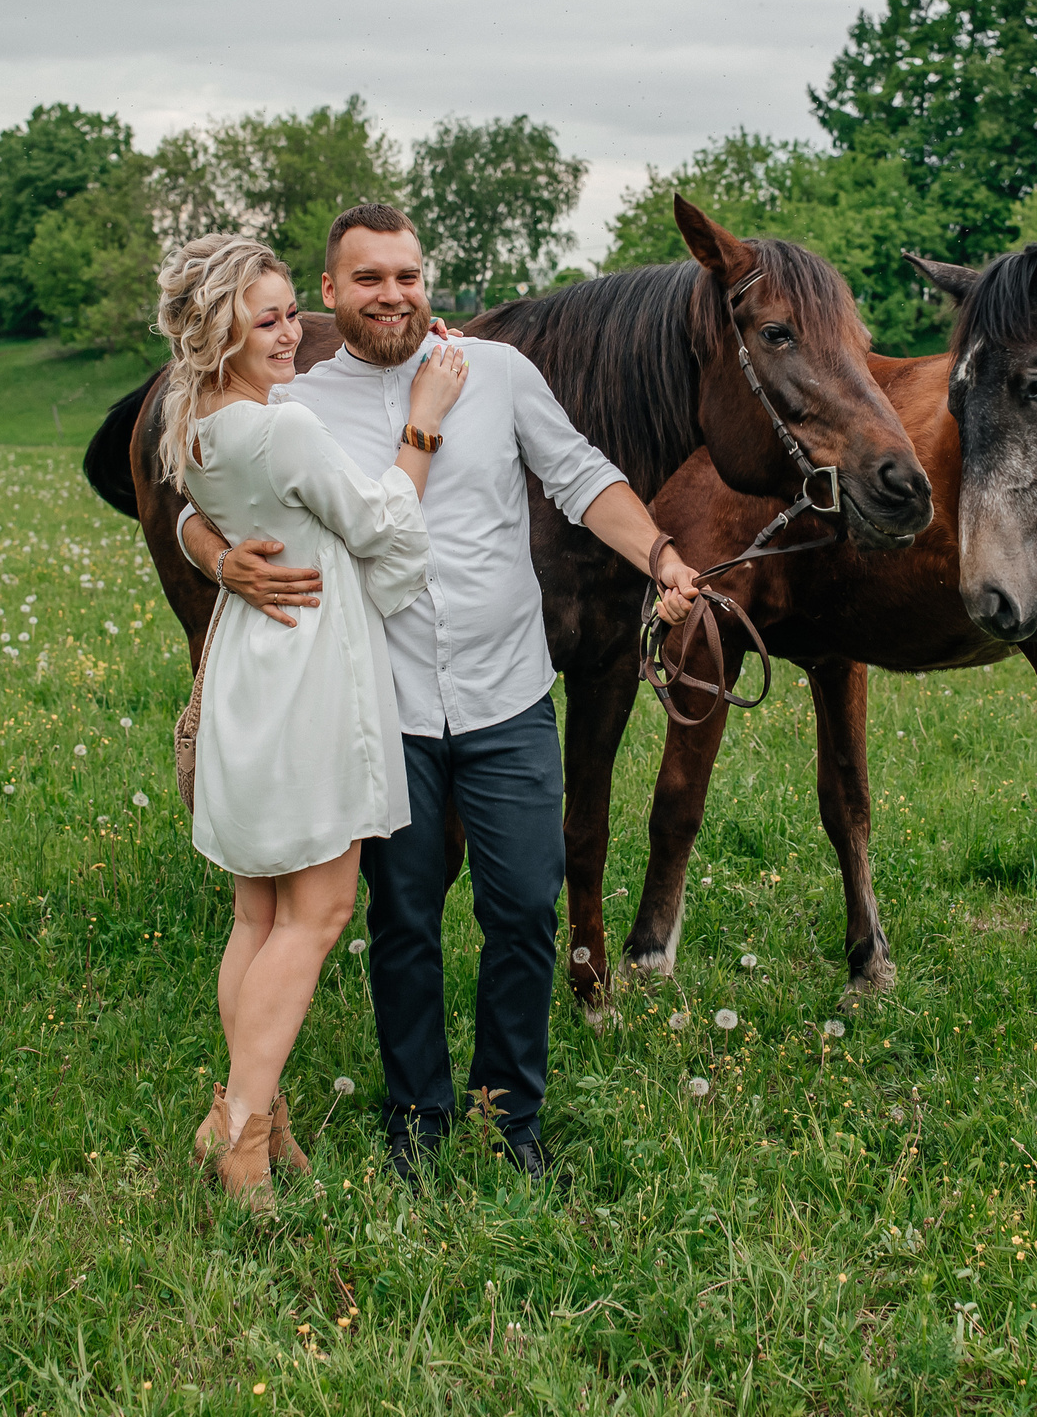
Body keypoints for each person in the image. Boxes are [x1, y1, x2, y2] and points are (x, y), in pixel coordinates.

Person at [180, 202, 700, 1185]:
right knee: (404, 917)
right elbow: (205, 499)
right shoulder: (298, 400)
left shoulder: (498, 374)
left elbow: (581, 474)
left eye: (407, 275)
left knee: (524, 907)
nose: (393, 293)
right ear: (331, 294)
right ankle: (414, 1115)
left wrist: (663, 554)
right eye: (368, 278)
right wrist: (219, 559)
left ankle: (510, 1113)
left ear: (430, 281)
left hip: (506, 689)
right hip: (381, 704)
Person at [158, 233, 470, 1207]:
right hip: (310, 675)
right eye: (268, 319)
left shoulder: (197, 419)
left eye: (295, 310)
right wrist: (422, 423)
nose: (293, 332)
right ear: (221, 331)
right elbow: (385, 524)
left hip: (253, 662)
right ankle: (241, 1134)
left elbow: (193, 509)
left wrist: (206, 544)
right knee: (321, 909)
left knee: (259, 910)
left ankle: (255, 1106)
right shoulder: (283, 430)